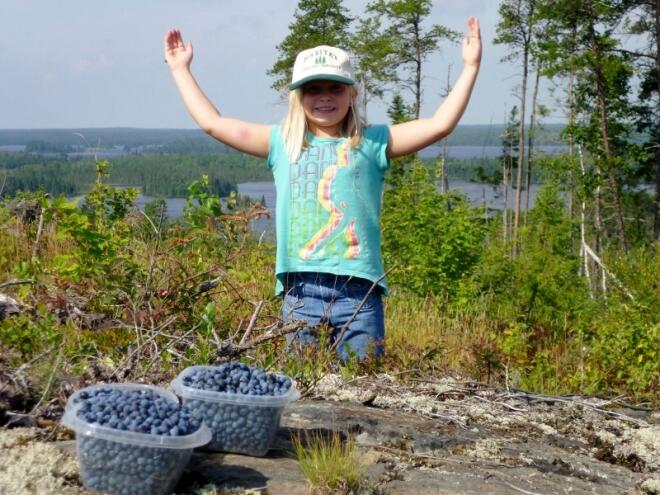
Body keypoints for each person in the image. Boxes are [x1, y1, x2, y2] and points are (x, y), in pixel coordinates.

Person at [164, 17, 482, 362]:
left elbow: (439, 124)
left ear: (352, 94)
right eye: (313, 89)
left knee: (361, 394)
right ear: (298, 97)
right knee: (302, 392)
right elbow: (213, 123)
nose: (324, 98)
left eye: (335, 88)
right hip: (301, 292)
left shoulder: (373, 142)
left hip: (360, 294)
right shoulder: (282, 143)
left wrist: (470, 66)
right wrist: (181, 70)